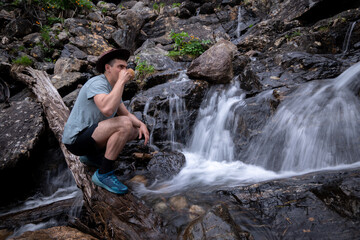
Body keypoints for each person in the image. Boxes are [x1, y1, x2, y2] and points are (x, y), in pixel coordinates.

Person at [62, 48, 149, 194]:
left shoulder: (113, 88)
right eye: (120, 67)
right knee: (124, 125)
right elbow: (108, 110)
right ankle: (104, 173)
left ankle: (91, 157)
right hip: (75, 140)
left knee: (134, 131)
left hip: (91, 138)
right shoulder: (97, 83)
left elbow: (126, 114)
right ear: (108, 68)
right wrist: (121, 81)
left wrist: (141, 124)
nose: (125, 70)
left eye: (125, 67)